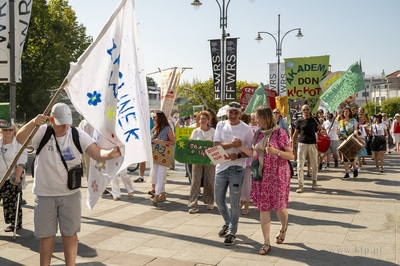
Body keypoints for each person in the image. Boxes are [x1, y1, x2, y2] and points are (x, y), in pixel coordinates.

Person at [16, 103, 121, 266]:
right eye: (60, 123)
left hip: (70, 195)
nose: (65, 126)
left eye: (67, 122)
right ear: (51, 120)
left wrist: (113, 153)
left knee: (70, 233)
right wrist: (32, 123)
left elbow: (97, 153)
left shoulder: (77, 134)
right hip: (44, 195)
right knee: (47, 236)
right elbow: (20, 138)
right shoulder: (43, 131)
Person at [239, 106, 293, 255]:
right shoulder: (257, 134)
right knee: (264, 208)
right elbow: (254, 154)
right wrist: (241, 147)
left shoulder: (280, 133)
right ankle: (266, 242)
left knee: (279, 207)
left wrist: (277, 152)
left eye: (257, 117)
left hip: (278, 175)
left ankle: (283, 227)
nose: (255, 120)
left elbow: (291, 155)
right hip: (261, 176)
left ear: (265, 117)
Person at [213, 102, 253, 246]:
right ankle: (227, 222)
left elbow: (252, 151)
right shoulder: (221, 125)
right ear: (227, 113)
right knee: (218, 200)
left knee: (234, 202)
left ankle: (232, 232)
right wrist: (232, 145)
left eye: (236, 113)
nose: (233, 115)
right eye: (231, 112)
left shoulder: (247, 129)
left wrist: (239, 155)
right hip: (221, 167)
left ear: (240, 113)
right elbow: (216, 145)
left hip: (237, 168)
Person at [0, 123, 27, 232]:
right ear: (1, 131)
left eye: (10, 130)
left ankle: (14, 224)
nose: (8, 132)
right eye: (5, 130)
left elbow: (21, 161)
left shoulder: (18, 145)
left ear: (14, 131)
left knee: (12, 203)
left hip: (11, 178)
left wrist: (17, 175)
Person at [187, 111, 216, 213]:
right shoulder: (195, 131)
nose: (203, 120)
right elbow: (192, 142)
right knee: (195, 181)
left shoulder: (213, 131)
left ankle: (210, 201)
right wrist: (190, 141)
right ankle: (193, 204)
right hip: (197, 159)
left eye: (205, 118)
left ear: (208, 120)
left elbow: (217, 144)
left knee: (209, 180)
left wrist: (211, 143)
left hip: (209, 159)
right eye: (201, 118)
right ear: (198, 120)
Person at [291, 104, 322, 193]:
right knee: (300, 165)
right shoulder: (299, 121)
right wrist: (293, 147)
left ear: (310, 110)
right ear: (301, 111)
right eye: (304, 110)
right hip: (301, 144)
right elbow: (295, 134)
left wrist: (319, 124)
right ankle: (301, 186)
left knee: (315, 164)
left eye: (307, 109)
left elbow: (319, 129)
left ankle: (314, 182)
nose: (306, 111)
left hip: (312, 144)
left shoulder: (314, 119)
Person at [149, 110, 175, 204]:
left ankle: (156, 195)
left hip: (164, 155)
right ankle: (162, 194)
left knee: (160, 175)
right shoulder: (154, 129)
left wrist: (162, 142)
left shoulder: (168, 128)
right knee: (157, 175)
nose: (153, 119)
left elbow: (172, 142)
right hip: (155, 154)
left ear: (160, 118)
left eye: (155, 117)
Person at [338, 107, 359, 179]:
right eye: (344, 111)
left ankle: (355, 168)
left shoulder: (353, 121)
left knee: (351, 157)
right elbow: (339, 130)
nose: (345, 113)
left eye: (347, 111)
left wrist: (355, 132)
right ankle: (347, 173)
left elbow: (356, 129)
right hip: (343, 140)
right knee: (345, 157)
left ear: (349, 112)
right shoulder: (341, 122)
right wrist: (338, 133)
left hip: (351, 140)